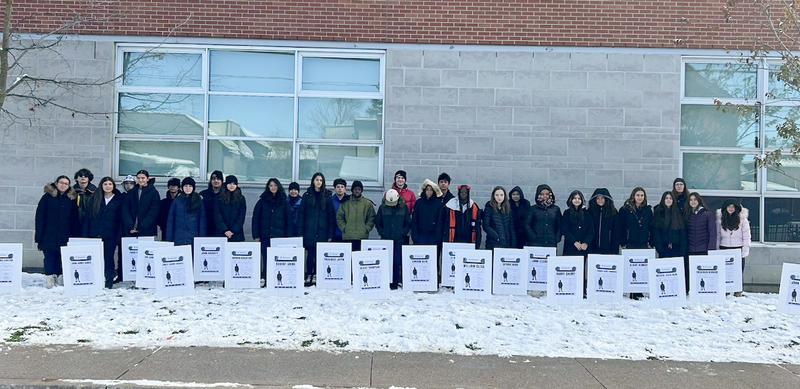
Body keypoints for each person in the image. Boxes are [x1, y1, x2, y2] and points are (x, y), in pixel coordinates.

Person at [35, 175, 78, 288]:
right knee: (49, 257)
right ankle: (49, 277)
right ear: (56, 184)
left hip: (64, 234)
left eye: (66, 183)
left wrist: (74, 236)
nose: (63, 185)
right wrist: (38, 236)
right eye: (61, 183)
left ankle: (59, 277)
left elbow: (74, 218)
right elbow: (40, 217)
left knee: (61, 257)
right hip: (48, 234)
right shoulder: (47, 198)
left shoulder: (70, 199)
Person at [82, 177, 123, 289]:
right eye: (105, 184)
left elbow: (120, 220)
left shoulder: (119, 200)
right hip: (95, 234)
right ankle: (96, 278)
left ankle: (109, 278)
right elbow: (88, 218)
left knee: (108, 257)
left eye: (110, 184)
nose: (108, 186)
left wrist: (118, 235)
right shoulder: (95, 198)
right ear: (101, 186)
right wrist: (86, 234)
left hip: (110, 234)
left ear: (113, 186)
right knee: (96, 258)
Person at [299, 172, 335, 286]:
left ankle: (317, 275)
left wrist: (330, 234)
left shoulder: (328, 197)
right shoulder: (307, 196)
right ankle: (308, 274)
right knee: (310, 254)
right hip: (309, 230)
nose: (318, 182)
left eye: (320, 180)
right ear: (313, 181)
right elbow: (301, 215)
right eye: (316, 180)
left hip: (322, 231)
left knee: (320, 255)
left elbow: (331, 216)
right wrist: (300, 232)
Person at [253, 178, 290, 283]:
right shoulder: (262, 202)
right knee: (265, 257)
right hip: (265, 234)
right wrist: (256, 235)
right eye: (270, 185)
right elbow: (255, 218)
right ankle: (266, 277)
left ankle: (277, 278)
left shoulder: (284, 202)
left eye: (275, 185)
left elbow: (288, 220)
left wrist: (288, 236)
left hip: (279, 236)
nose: (273, 187)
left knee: (278, 259)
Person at [618, 187, 652, 300]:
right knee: (630, 266)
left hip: (643, 242)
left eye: (642, 195)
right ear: (633, 196)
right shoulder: (625, 209)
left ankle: (638, 291)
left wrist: (650, 240)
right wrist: (622, 241)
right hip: (630, 242)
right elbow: (621, 227)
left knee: (640, 267)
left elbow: (651, 226)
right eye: (638, 195)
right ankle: (631, 291)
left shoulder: (648, 210)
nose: (640, 197)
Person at [375, 189, 411, 289]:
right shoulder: (382, 208)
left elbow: (408, 222)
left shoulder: (403, 208)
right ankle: (386, 282)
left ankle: (395, 283)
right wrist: (381, 232)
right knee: (386, 261)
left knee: (397, 261)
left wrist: (403, 232)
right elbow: (378, 222)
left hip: (399, 239)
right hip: (386, 239)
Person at [716, 199, 751, 297]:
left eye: (733, 207)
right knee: (725, 270)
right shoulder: (720, 220)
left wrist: (745, 249)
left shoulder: (743, 220)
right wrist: (717, 248)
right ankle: (725, 289)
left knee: (738, 270)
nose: (731, 209)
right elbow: (718, 235)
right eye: (729, 206)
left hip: (738, 248)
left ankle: (738, 290)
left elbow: (747, 235)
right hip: (724, 247)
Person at [685, 192, 717, 291]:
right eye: (691, 200)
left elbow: (712, 232)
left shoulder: (707, 214)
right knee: (690, 271)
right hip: (689, 248)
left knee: (702, 272)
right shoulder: (686, 214)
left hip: (703, 248)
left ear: (699, 201)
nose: (693, 202)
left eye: (695, 199)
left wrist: (711, 248)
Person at [166, 177, 207, 246]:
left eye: (190, 186)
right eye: (186, 186)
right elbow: (171, 221)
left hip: (194, 237)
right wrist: (169, 239)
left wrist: (201, 238)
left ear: (193, 187)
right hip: (179, 237)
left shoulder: (198, 201)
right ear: (182, 187)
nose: (188, 188)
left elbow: (202, 221)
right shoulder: (177, 201)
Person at [336, 180, 375, 252]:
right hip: (348, 236)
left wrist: (366, 228)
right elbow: (339, 217)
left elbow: (371, 218)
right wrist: (345, 228)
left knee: (359, 259)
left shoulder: (367, 204)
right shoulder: (345, 203)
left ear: (361, 191)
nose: (357, 191)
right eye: (355, 189)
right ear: (352, 190)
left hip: (362, 236)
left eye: (359, 189)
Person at [122, 170, 160, 237]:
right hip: (131, 230)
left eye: (143, 178)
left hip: (147, 230)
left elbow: (153, 212)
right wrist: (130, 226)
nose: (140, 180)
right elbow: (125, 210)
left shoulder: (153, 193)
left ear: (147, 179)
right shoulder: (131, 192)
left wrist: (142, 227)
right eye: (138, 178)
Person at [651, 191, 686, 258]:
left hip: (676, 248)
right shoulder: (658, 212)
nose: (668, 200)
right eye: (666, 198)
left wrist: (682, 250)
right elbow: (656, 232)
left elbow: (682, 233)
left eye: (670, 198)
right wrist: (659, 249)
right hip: (663, 247)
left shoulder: (678, 213)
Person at [115, 174, 136, 283]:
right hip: (121, 228)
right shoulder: (120, 196)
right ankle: (120, 274)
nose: (128, 186)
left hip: (134, 229)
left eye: (131, 183)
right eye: (127, 184)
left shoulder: (137, 196)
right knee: (121, 253)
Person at [560, 190, 594, 257]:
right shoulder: (567, 213)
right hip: (570, 246)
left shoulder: (587, 213)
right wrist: (574, 241)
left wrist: (586, 242)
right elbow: (565, 229)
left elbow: (591, 229)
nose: (577, 200)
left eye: (579, 198)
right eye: (575, 198)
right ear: (571, 200)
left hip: (583, 247)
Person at [483, 186, 516, 251]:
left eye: (501, 195)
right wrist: (497, 237)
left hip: (507, 244)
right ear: (493, 196)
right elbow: (486, 226)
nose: (499, 197)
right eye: (497, 195)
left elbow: (511, 228)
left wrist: (513, 242)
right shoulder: (489, 208)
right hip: (494, 243)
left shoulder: (508, 209)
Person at [214, 175, 247, 242]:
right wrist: (225, 230)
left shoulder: (241, 198)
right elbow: (217, 215)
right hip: (221, 233)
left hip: (237, 234)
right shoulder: (219, 198)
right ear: (226, 184)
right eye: (230, 183)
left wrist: (233, 230)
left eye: (234, 184)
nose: (232, 186)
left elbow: (241, 216)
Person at [411, 179, 443, 246]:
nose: (429, 192)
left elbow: (440, 222)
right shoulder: (419, 203)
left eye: (431, 190)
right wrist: (414, 236)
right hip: (420, 235)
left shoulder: (438, 204)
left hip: (433, 236)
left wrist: (438, 237)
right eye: (427, 190)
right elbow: (414, 220)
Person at [588, 188, 620, 254]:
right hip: (592, 248)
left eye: (602, 198)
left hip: (608, 248)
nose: (600, 200)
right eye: (598, 198)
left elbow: (616, 232)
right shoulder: (590, 212)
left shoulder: (613, 212)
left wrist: (615, 250)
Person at [200, 170, 224, 237]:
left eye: (218, 179)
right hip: (207, 228)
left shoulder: (225, 195)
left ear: (222, 181)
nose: (216, 181)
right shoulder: (203, 194)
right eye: (213, 179)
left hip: (222, 229)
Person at [331, 178, 349, 242]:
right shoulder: (330, 201)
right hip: (334, 232)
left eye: (342, 187)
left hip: (347, 233)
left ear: (345, 189)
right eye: (338, 187)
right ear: (334, 188)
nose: (340, 189)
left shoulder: (349, 200)